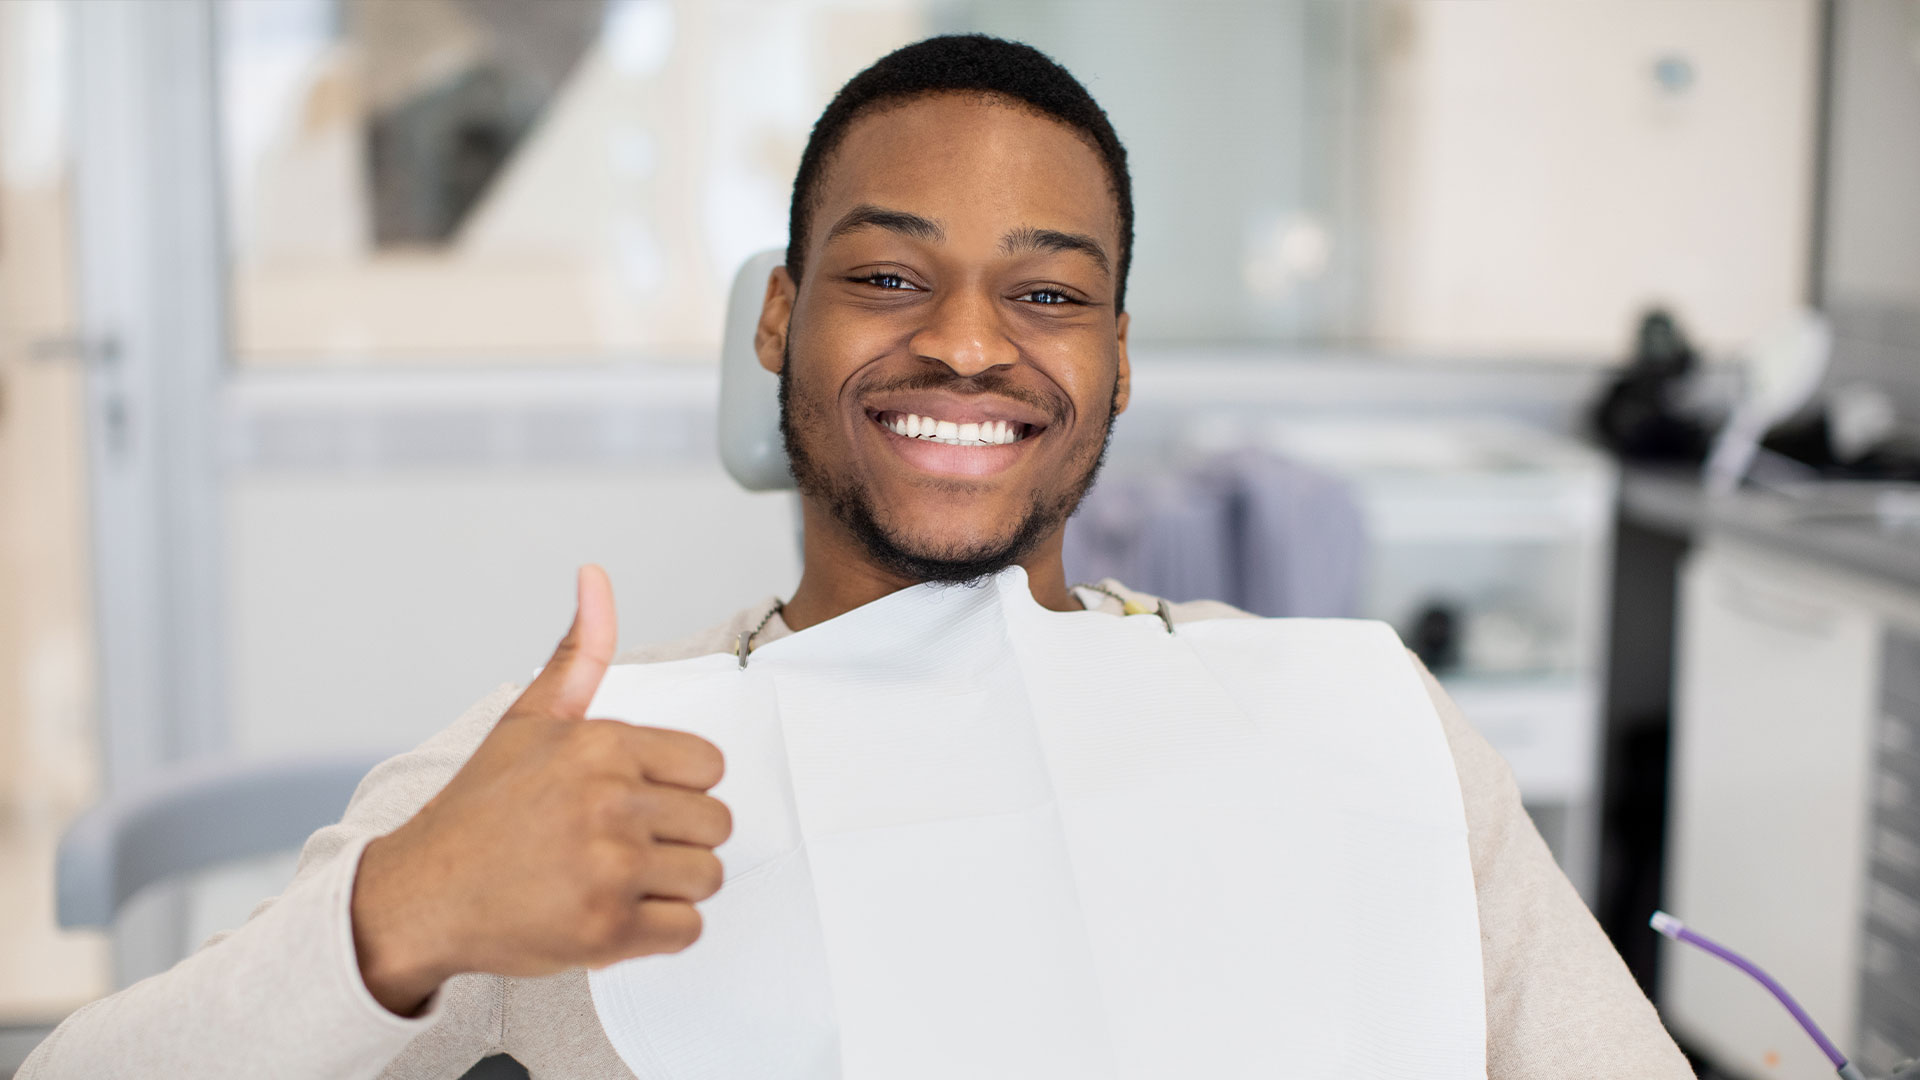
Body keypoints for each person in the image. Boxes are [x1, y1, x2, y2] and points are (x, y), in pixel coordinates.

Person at [22, 34, 1691, 1079]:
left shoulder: (1357, 733)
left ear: (1118, 363)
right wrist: (398, 917)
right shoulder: (589, 770)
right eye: (891, 276)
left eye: (1049, 294)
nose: (970, 346)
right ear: (779, 318)